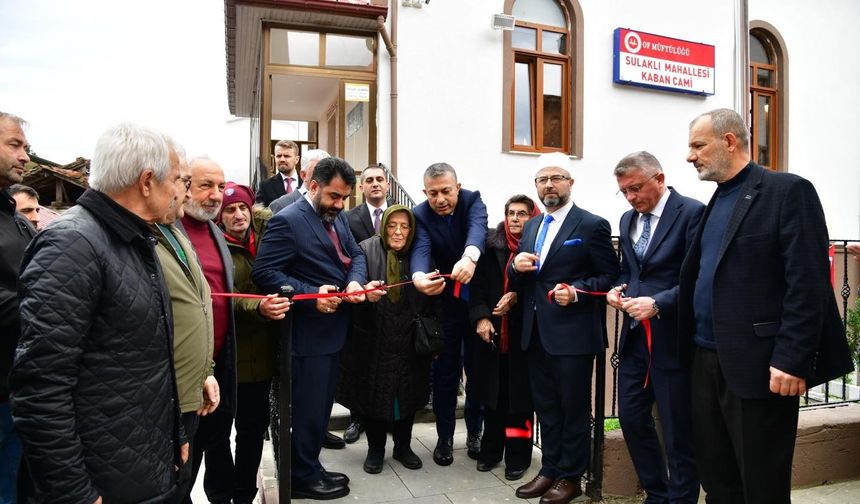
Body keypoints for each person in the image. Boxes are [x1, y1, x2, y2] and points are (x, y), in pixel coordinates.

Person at [679, 108, 853, 504]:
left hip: (759, 366)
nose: (690, 156)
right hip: (705, 360)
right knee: (718, 479)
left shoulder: (787, 191)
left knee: (761, 484)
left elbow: (807, 284)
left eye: (698, 145)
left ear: (729, 141)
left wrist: (793, 358)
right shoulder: (716, 201)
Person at [10, 122, 184, 503]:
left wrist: (174, 438)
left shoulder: (133, 238)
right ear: (147, 180)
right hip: (101, 481)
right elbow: (40, 387)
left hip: (139, 465)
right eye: (174, 179)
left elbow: (142, 359)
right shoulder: (72, 245)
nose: (176, 190)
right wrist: (74, 492)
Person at [252, 156, 372, 500]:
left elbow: (356, 255)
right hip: (306, 336)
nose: (339, 205)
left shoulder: (337, 217)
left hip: (335, 330)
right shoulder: (287, 221)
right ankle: (302, 477)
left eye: (345, 198)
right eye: (334, 196)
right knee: (307, 410)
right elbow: (265, 273)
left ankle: (310, 466)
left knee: (320, 409)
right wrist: (309, 295)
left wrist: (353, 284)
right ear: (314, 186)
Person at [510, 152, 619, 504]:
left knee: (573, 408)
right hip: (535, 332)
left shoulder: (591, 225)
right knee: (547, 406)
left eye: (556, 178)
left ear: (570, 183)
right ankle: (550, 469)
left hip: (572, 335)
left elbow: (609, 276)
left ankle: (571, 476)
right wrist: (516, 267)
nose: (549, 185)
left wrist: (575, 293)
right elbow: (521, 278)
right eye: (542, 179)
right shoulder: (531, 226)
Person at [605, 151, 703, 504]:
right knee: (631, 419)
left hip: (673, 339)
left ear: (659, 179)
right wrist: (618, 290)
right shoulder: (626, 220)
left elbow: (698, 280)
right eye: (624, 192)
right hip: (634, 341)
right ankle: (657, 494)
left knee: (678, 431)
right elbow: (631, 271)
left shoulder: (692, 213)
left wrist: (659, 303)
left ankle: (681, 499)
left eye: (635, 188)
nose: (631, 198)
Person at [338, 204, 438, 473]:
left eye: (405, 226)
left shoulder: (420, 254)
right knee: (374, 398)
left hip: (409, 340)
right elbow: (353, 281)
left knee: (407, 396)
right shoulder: (366, 249)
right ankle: (375, 450)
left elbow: (432, 296)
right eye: (392, 225)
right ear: (383, 226)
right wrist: (362, 292)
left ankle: (403, 447)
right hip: (374, 338)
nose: (398, 231)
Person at [151, 144, 222, 503]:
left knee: (194, 465)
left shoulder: (189, 233)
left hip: (203, 378)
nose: (215, 196)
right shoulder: (151, 232)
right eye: (187, 181)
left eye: (220, 187)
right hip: (161, 397)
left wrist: (205, 370)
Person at [217, 182, 291, 504]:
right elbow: (220, 299)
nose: (237, 215)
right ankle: (219, 495)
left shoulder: (266, 239)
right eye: (229, 210)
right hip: (227, 357)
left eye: (242, 208)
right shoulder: (217, 248)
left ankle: (243, 494)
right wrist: (258, 306)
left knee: (251, 432)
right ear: (220, 216)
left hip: (260, 357)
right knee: (217, 437)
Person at [411, 162, 488, 465]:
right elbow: (421, 247)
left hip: (476, 305)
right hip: (444, 306)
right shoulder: (420, 213)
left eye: (446, 191)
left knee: (477, 373)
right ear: (424, 193)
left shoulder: (473, 201)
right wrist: (419, 276)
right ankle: (444, 438)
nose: (440, 199)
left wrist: (470, 257)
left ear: (457, 187)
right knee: (444, 376)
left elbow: (478, 230)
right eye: (433, 193)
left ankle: (475, 433)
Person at [177, 157, 238, 504]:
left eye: (220, 186)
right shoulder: (166, 231)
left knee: (216, 445)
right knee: (183, 465)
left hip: (220, 366)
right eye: (206, 186)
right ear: (184, 186)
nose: (216, 195)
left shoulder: (215, 230)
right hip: (186, 375)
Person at [469, 194, 539, 481]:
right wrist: (482, 317)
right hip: (494, 337)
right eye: (511, 212)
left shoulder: (537, 248)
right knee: (494, 398)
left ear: (531, 217)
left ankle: (518, 456)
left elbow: (538, 291)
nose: (514, 218)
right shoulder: (491, 246)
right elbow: (479, 288)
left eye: (522, 213)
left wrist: (517, 299)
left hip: (525, 338)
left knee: (519, 402)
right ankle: (491, 450)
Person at [342, 163, 392, 444]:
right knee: (359, 364)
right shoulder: (349, 218)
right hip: (360, 300)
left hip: (393, 301)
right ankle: (356, 418)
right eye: (369, 180)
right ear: (361, 187)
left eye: (379, 179)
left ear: (387, 185)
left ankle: (386, 418)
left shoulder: (401, 216)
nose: (375, 184)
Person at [0, 112, 36, 504]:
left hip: (23, 391)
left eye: (24, 146)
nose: (24, 156)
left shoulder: (15, 218)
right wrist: (51, 305)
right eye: (14, 144)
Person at [268, 148, 330, 214]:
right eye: (320, 171)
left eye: (330, 172)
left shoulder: (335, 206)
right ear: (303, 175)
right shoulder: (281, 205)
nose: (327, 176)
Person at [257, 139, 302, 207]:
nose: (282, 159)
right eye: (278, 156)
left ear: (297, 159)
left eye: (286, 156)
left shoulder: (307, 183)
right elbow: (259, 214)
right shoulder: (266, 186)